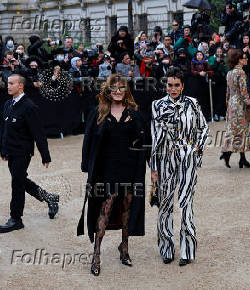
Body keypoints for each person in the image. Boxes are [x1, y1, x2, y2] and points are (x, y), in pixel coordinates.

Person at [77, 74, 146, 276]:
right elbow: (88, 140)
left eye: (121, 88)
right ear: (108, 90)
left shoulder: (135, 113)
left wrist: (150, 167)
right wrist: (86, 165)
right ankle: (96, 253)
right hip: (106, 169)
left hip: (130, 168)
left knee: (127, 208)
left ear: (126, 91)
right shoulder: (98, 112)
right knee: (105, 208)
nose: (117, 91)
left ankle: (124, 249)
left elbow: (143, 141)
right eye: (114, 88)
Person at [151, 67, 208, 266]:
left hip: (187, 158)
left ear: (182, 85)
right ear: (165, 85)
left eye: (176, 85)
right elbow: (155, 137)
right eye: (169, 85)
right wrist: (154, 167)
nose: (173, 89)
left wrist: (197, 147)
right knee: (165, 203)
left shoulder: (193, 103)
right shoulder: (156, 105)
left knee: (186, 203)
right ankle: (167, 249)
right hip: (166, 157)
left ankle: (187, 250)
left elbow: (203, 127)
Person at [0, 74, 59, 233]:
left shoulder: (29, 107)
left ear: (20, 86)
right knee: (20, 180)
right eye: (7, 83)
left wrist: (45, 155)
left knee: (17, 183)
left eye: (12, 83)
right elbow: (4, 129)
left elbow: (39, 133)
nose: (8, 86)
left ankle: (15, 219)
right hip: (10, 151)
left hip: (22, 152)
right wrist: (3, 149)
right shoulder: (7, 104)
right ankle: (49, 197)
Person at [220, 49, 250, 168]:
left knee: (237, 130)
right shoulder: (240, 73)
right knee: (241, 131)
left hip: (232, 103)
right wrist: (249, 103)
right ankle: (228, 152)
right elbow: (243, 91)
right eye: (244, 58)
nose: (246, 59)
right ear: (239, 60)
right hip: (240, 105)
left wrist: (228, 103)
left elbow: (228, 91)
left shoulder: (229, 72)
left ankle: (242, 158)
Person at [190, 51, 214, 120]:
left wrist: (205, 72)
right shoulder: (193, 62)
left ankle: (206, 116)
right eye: (198, 55)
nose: (199, 56)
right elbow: (192, 72)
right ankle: (197, 117)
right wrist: (198, 73)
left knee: (205, 100)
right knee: (197, 100)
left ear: (203, 56)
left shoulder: (205, 63)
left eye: (200, 55)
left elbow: (211, 72)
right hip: (195, 83)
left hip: (204, 83)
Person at [208, 47, 229, 121]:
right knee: (216, 97)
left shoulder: (225, 58)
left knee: (223, 97)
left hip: (223, 79)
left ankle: (223, 114)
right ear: (216, 52)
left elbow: (227, 69)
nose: (219, 53)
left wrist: (224, 64)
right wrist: (216, 62)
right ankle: (216, 114)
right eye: (218, 52)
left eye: (220, 52)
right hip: (215, 80)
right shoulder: (212, 58)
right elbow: (210, 67)